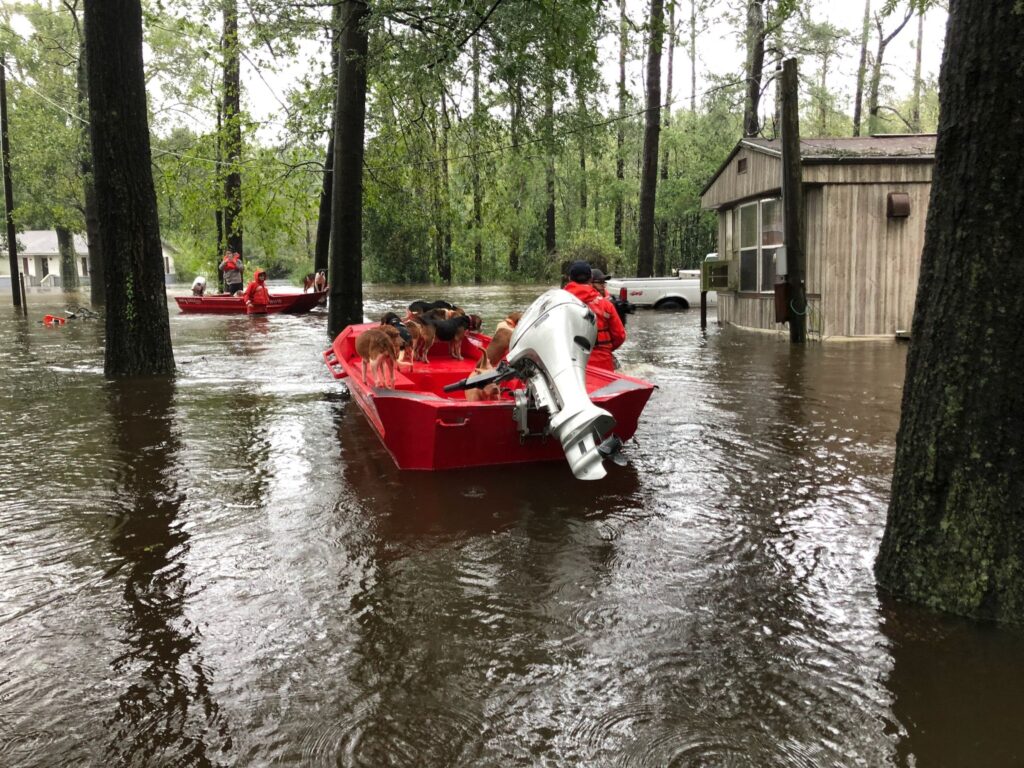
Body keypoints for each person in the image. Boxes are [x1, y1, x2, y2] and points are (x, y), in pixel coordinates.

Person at [562, 260, 626, 371]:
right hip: (602, 364)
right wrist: (605, 350)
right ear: (591, 279)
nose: (602, 285)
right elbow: (620, 336)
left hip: (570, 366)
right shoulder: (606, 305)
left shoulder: (558, 303)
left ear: (569, 279)